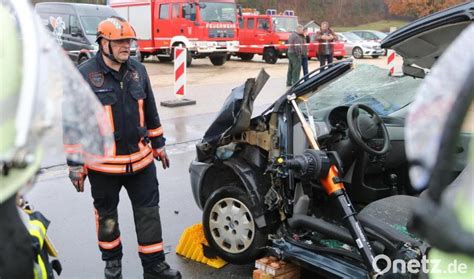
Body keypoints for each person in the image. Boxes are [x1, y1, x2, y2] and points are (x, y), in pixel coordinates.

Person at [67, 17, 181, 279]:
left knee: (149, 215)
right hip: (103, 168)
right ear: (103, 43)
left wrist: (159, 144)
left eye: (128, 41)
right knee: (107, 219)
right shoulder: (84, 76)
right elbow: (72, 124)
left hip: (141, 164)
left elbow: (150, 110)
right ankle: (112, 264)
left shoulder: (138, 71)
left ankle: (154, 266)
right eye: (119, 41)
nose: (126, 46)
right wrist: (75, 163)